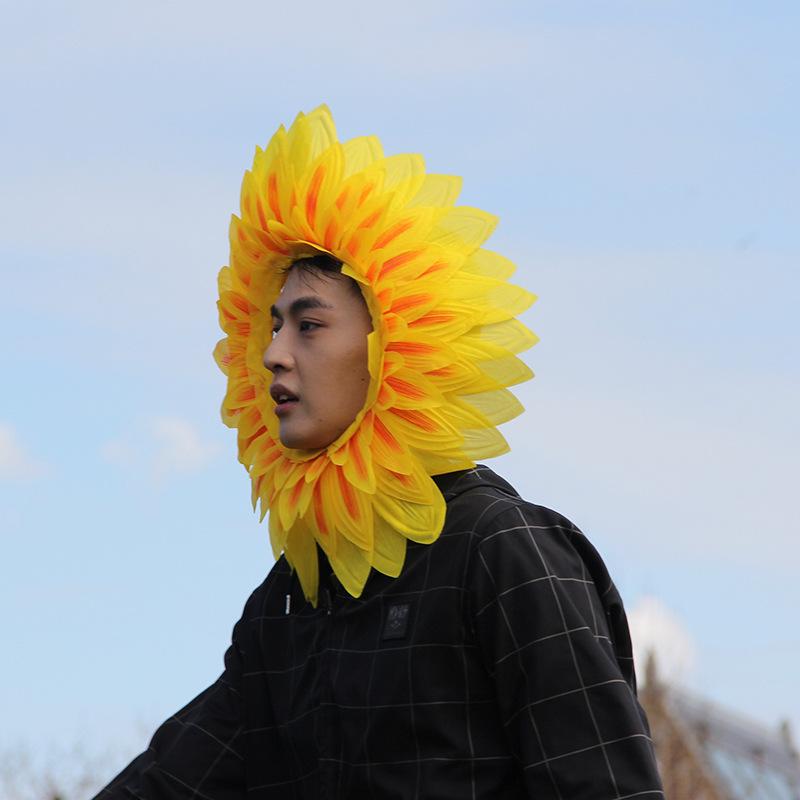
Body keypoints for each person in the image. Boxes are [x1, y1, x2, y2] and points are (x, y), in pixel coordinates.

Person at [94, 107, 664, 799]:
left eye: (309, 324)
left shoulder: (502, 552)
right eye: (273, 327)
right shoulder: (288, 604)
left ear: (397, 340)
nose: (273, 353)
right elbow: (166, 785)